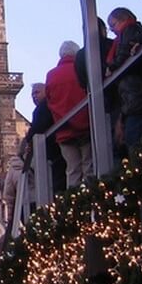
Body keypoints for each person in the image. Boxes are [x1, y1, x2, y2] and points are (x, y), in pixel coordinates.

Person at [45, 41, 93, 187]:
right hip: (85, 125)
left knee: (72, 170)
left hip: (63, 129)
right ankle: (92, 197)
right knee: (89, 167)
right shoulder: (82, 68)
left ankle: (74, 199)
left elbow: (49, 100)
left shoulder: (51, 75)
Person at [106, 8, 142, 151]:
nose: (112, 30)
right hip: (133, 97)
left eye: (113, 25)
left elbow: (124, 52)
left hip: (135, 96)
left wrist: (111, 67)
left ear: (123, 19)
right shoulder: (131, 31)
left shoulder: (130, 30)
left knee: (135, 141)